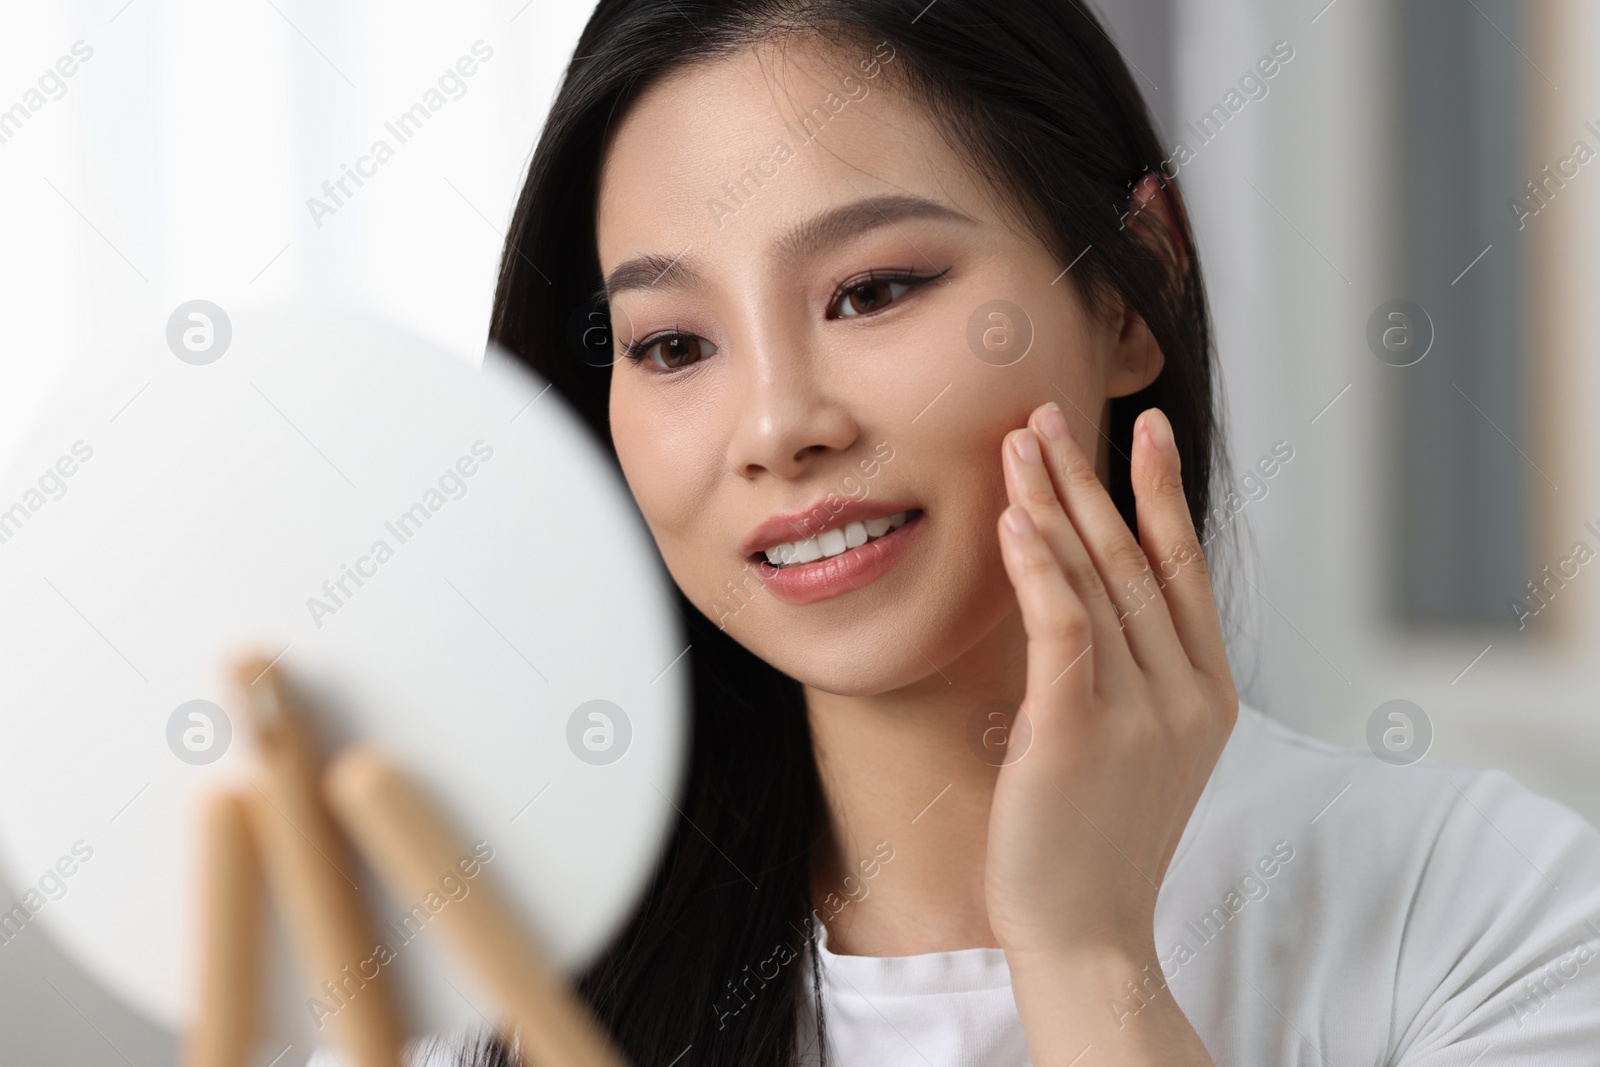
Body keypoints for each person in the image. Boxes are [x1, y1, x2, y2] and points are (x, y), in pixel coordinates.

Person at [315, 0, 1600, 1063]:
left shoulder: (1492, 913)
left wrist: (1085, 953)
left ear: (1129, 283)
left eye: (872, 290)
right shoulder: (466, 983)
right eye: (671, 344)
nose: (776, 423)